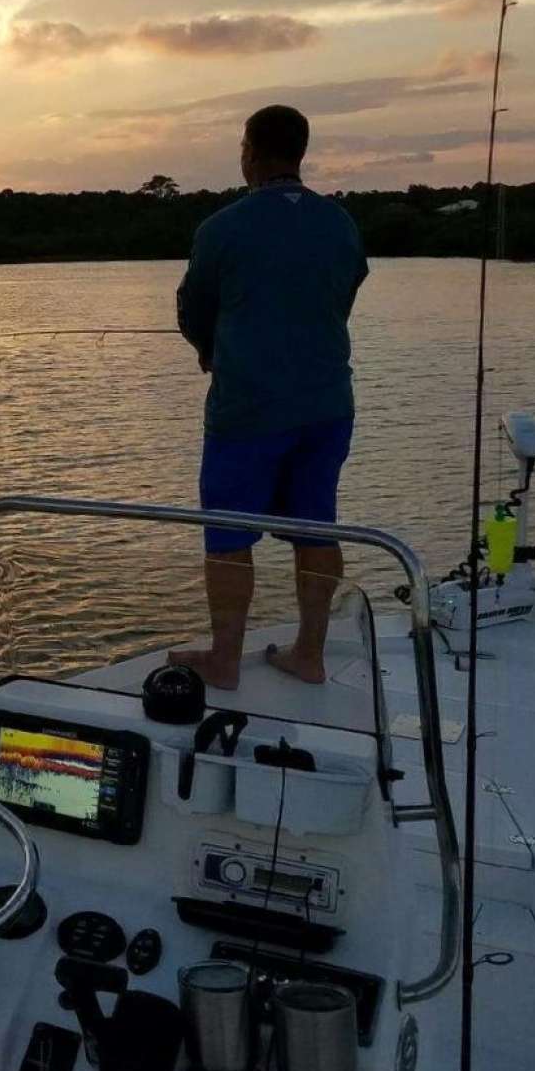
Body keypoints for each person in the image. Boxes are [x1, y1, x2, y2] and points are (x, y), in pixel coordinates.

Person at [170, 104, 368, 690]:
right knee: (317, 528)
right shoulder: (341, 224)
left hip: (248, 410)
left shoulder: (222, 228)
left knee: (229, 535)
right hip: (328, 406)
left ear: (249, 152)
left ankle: (225, 660)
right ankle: (310, 653)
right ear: (300, 152)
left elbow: (192, 310)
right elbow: (343, 296)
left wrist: (210, 351)